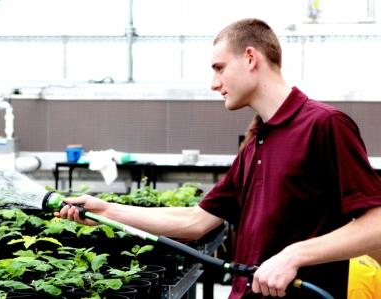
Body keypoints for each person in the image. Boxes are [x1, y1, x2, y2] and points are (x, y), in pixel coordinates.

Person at [56, 18, 381, 298]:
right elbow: (196, 222)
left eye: (219, 68)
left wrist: (294, 255)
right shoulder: (257, 140)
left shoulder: (324, 125)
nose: (214, 83)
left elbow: (376, 225)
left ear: (250, 57)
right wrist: (107, 210)